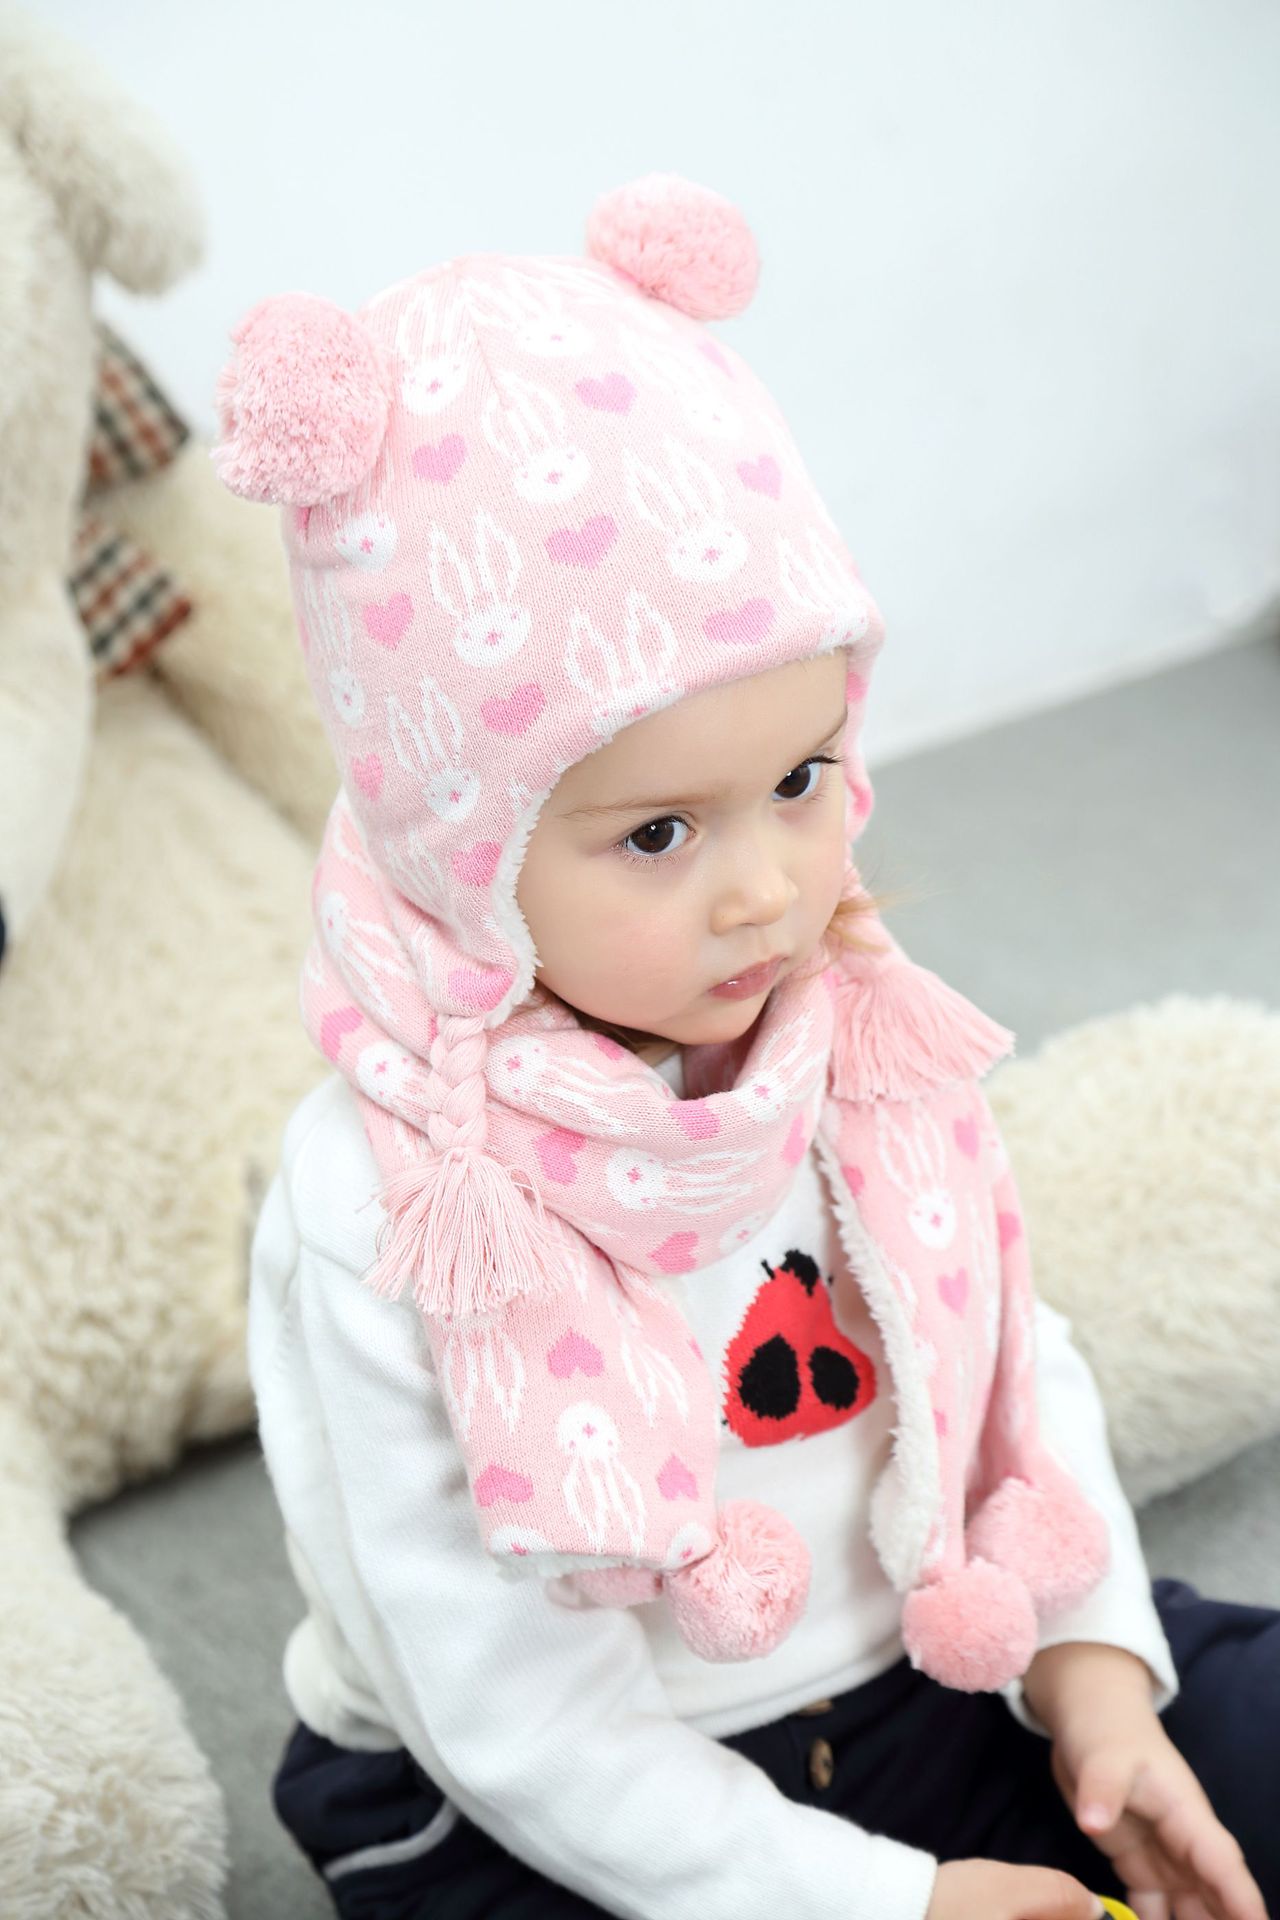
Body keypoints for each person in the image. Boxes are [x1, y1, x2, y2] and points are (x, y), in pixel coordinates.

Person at [220, 173, 1275, 1920]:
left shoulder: (852, 1022)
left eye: (800, 780)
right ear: (461, 848)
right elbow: (512, 1721)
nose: (771, 891)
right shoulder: (386, 1199)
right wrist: (892, 1903)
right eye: (657, 834)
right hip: (540, 1788)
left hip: (932, 1646)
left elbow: (1012, 1354)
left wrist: (1096, 1670)